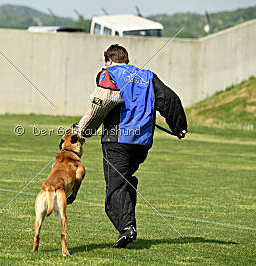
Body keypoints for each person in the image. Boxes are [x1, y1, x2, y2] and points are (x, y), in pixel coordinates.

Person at [71, 44, 187, 248]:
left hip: (117, 139)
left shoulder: (108, 73)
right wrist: (179, 127)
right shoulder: (148, 76)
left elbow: (101, 102)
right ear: (127, 59)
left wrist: (83, 130)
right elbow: (169, 99)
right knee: (125, 181)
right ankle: (128, 224)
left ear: (109, 60)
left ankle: (126, 227)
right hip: (142, 142)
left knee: (115, 188)